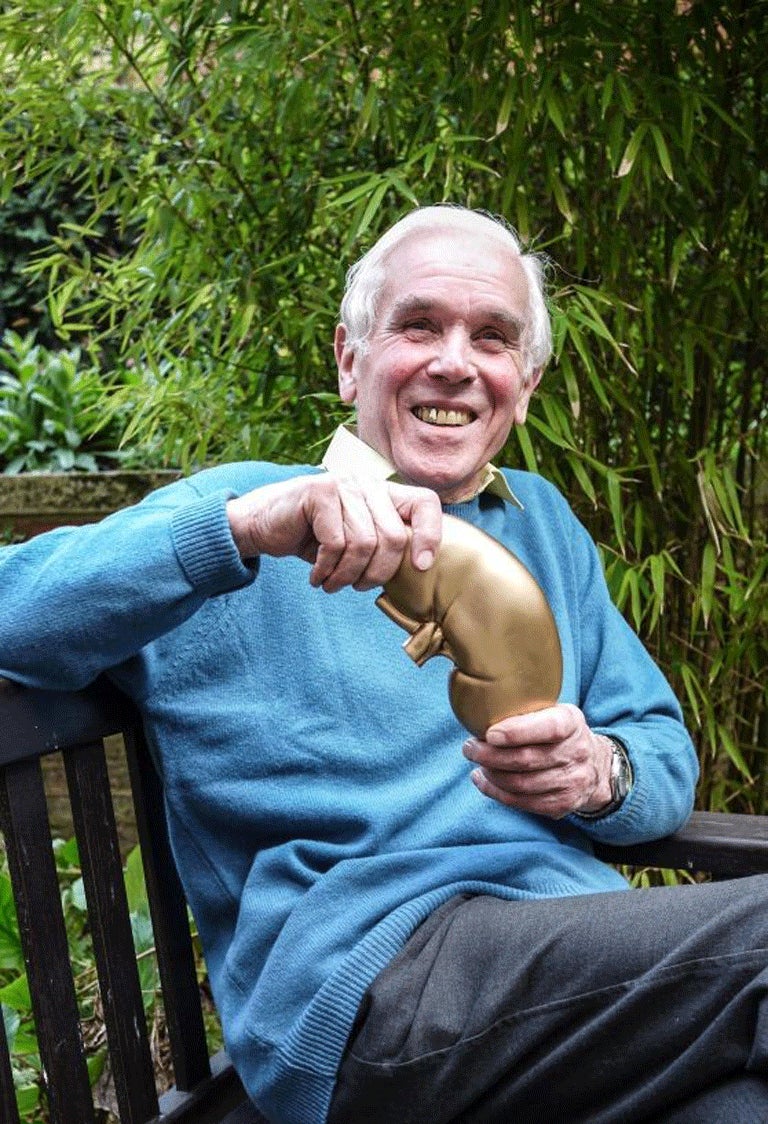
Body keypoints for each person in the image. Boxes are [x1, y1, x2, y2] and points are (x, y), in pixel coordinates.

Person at [1, 205, 767, 1124]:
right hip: (374, 984)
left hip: (567, 979)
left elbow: (661, 749)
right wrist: (240, 529)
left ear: (523, 383)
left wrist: (600, 774)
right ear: (348, 358)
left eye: (492, 338)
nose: (455, 361)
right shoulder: (244, 513)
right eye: (418, 325)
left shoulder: (544, 524)